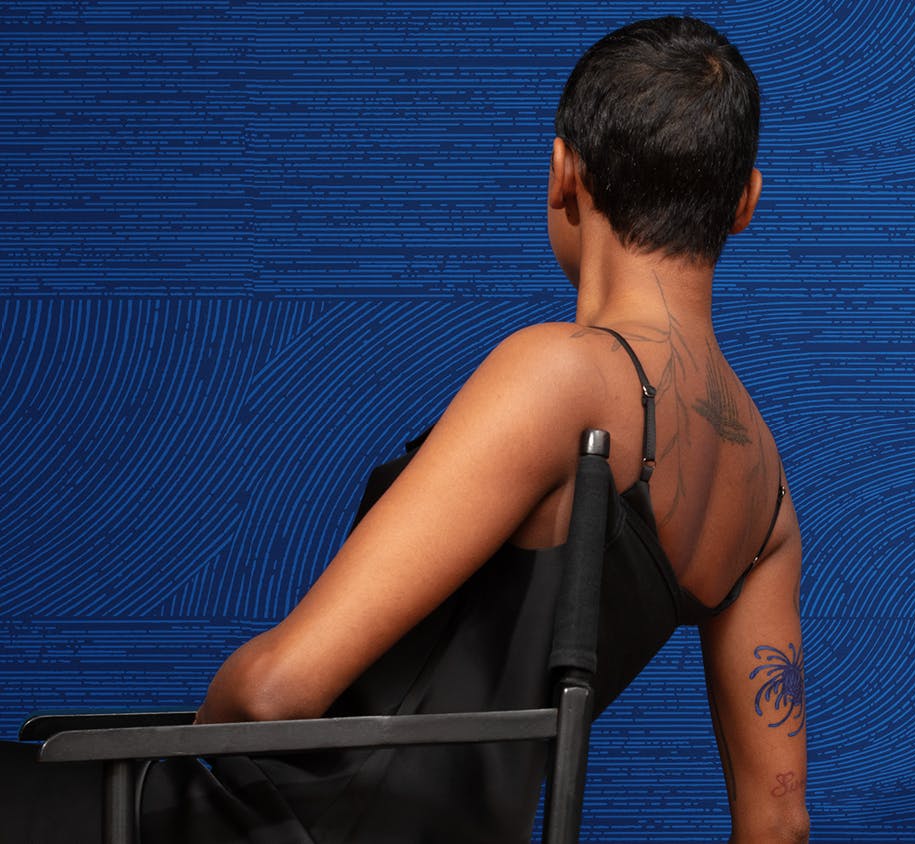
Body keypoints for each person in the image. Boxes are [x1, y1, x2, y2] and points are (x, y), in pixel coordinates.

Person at [1, 16, 808, 844]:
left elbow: (277, 691)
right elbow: (778, 822)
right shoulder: (768, 502)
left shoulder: (563, 373)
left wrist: (204, 719)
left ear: (565, 173)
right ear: (745, 200)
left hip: (283, 824)